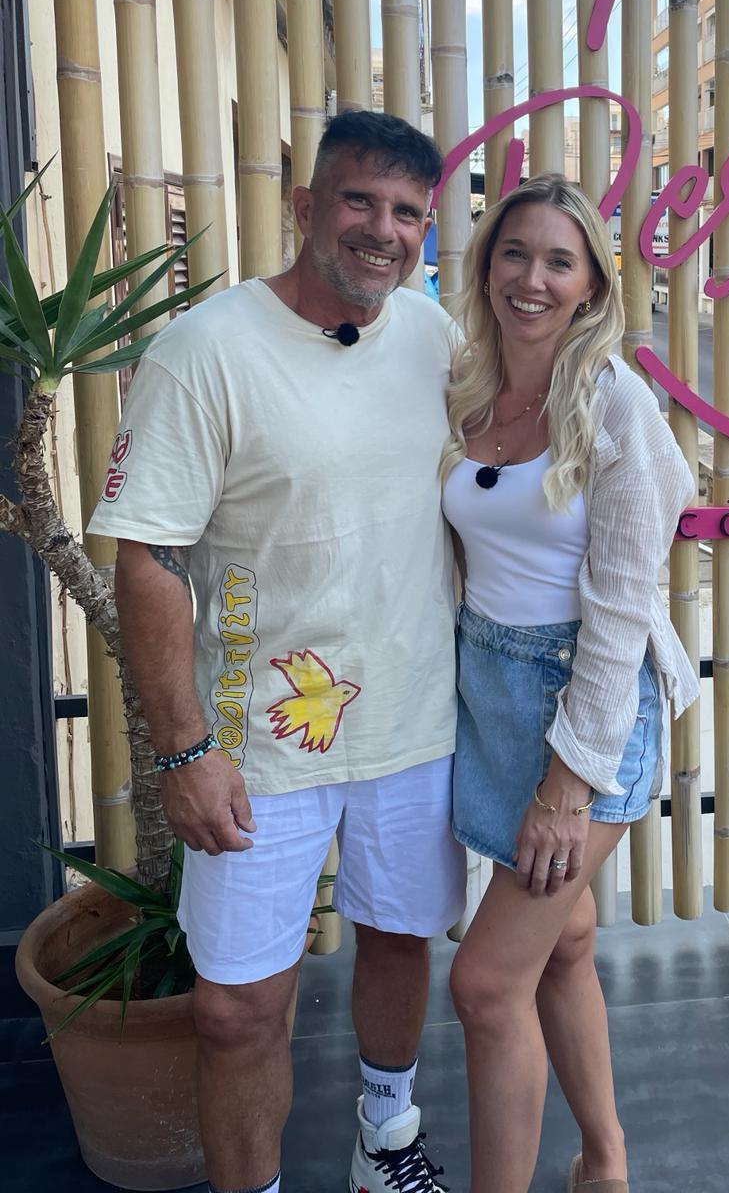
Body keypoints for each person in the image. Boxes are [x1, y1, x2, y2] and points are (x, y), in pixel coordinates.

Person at [89, 112, 464, 1193]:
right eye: (357, 201)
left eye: (405, 213)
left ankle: (383, 1138)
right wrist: (183, 750)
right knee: (236, 1007)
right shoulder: (205, 351)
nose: (380, 231)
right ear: (305, 207)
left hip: (412, 724)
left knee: (399, 941)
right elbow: (150, 557)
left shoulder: (433, 337)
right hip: (256, 745)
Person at [440, 174, 699, 1193]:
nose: (532, 278)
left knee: (483, 982)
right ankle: (606, 1160)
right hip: (486, 696)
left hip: (584, 710)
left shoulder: (618, 406)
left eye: (558, 260)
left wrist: (568, 782)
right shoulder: (467, 385)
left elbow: (623, 608)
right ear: (486, 266)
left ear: (591, 284)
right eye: (515, 254)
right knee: (562, 942)